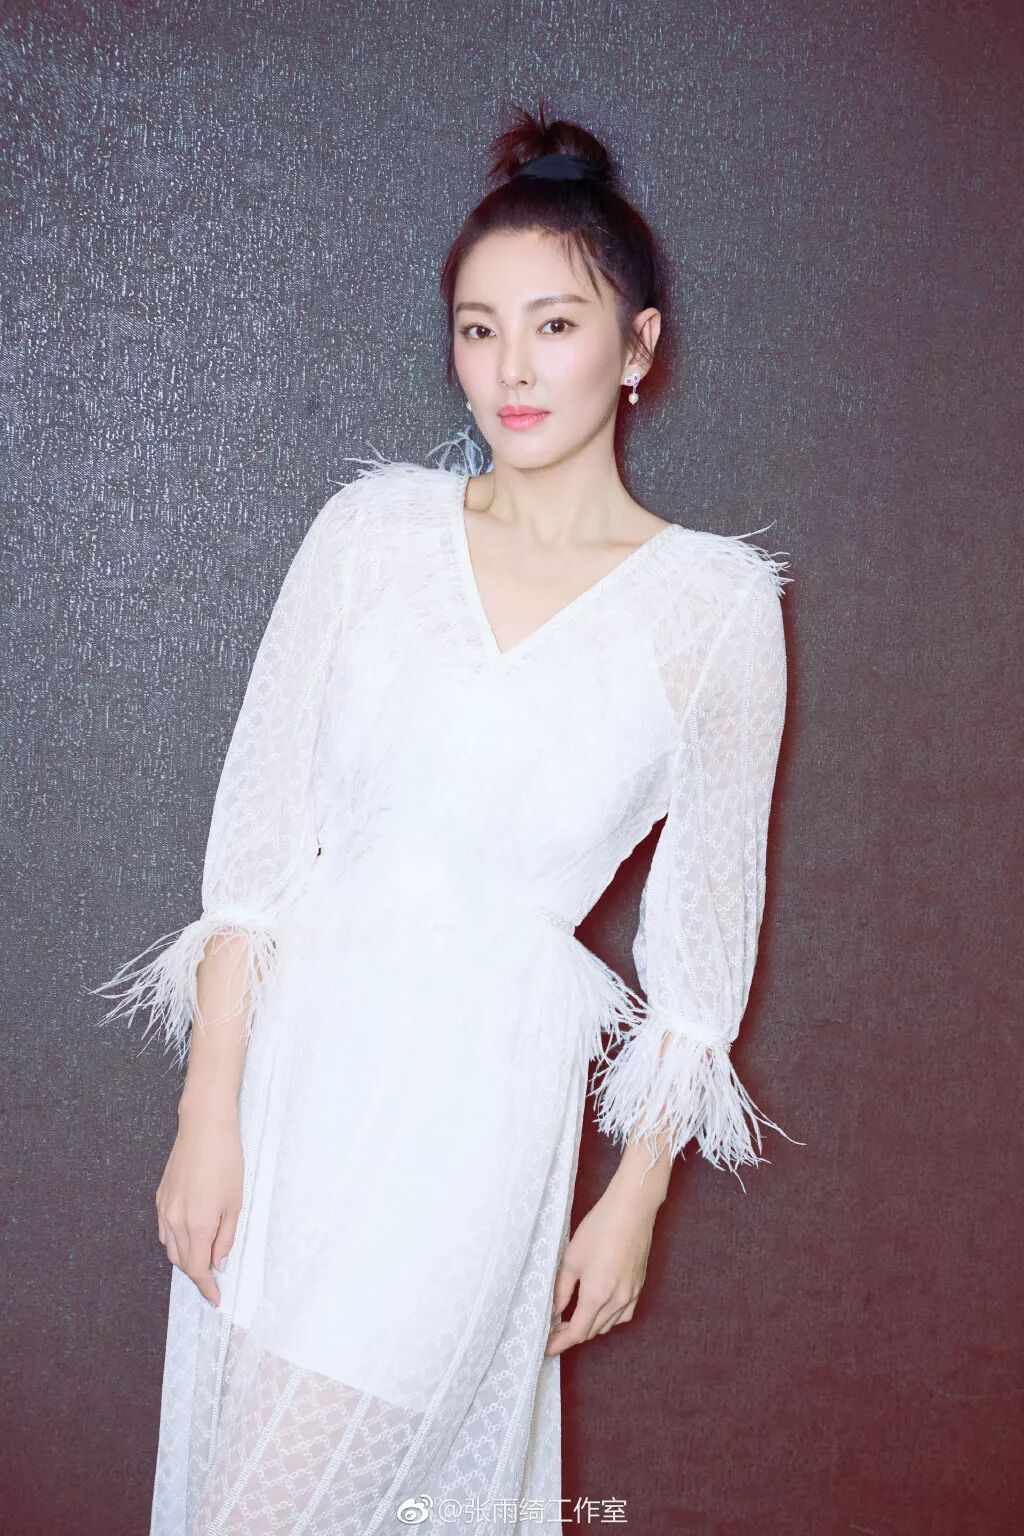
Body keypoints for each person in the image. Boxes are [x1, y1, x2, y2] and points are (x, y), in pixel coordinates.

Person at [91, 102, 799, 1536]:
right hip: (298, 1090)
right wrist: (207, 1112)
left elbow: (701, 949)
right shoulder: (370, 535)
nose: (512, 368)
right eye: (480, 330)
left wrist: (635, 1197)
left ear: (639, 347)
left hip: (475, 1117)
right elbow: (257, 849)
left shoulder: (717, 611)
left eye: (555, 325)